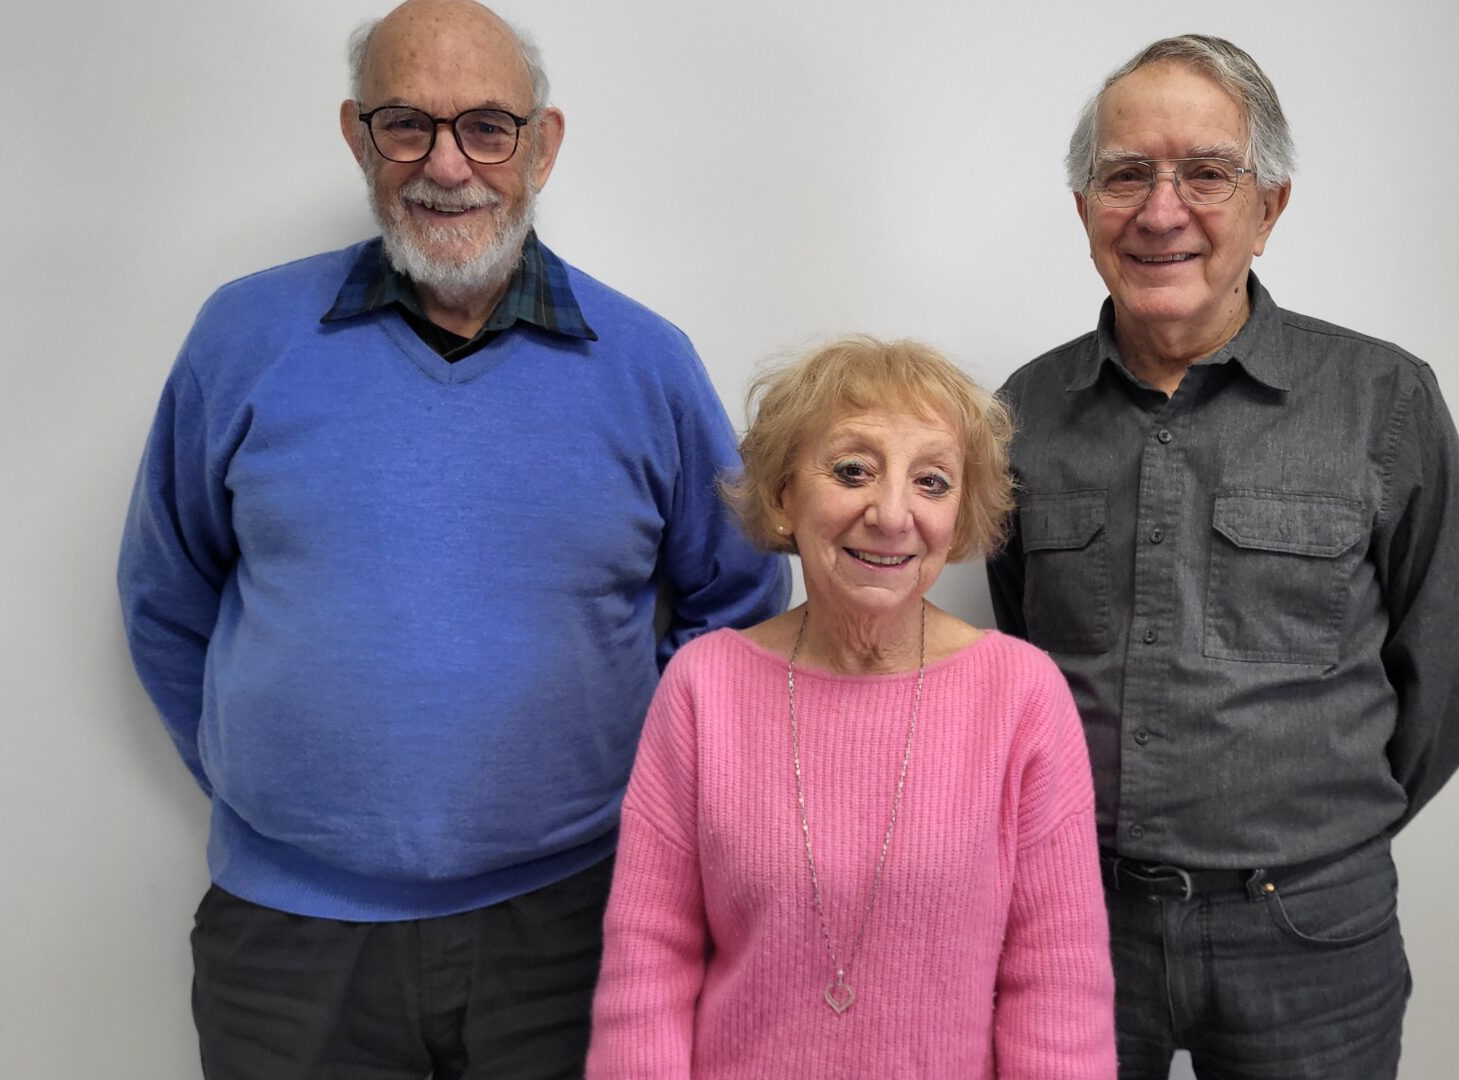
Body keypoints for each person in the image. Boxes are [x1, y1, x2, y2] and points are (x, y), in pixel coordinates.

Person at [115, 1, 789, 1075]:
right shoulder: (242, 336)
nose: (446, 164)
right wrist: (272, 780)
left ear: (542, 146)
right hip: (289, 948)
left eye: (486, 127)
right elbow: (166, 594)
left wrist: (631, 780)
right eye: (405, 124)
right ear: (356, 136)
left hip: (576, 927)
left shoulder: (647, 363)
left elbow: (740, 599)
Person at [986, 34, 1459, 1080]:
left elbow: (1450, 672)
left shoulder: (1384, 401)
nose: (1161, 210)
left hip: (1310, 935)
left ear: (1269, 208)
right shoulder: (1021, 415)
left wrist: (1317, 837)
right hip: (1077, 922)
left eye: (1208, 173)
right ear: (1084, 209)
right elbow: (1018, 649)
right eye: (1126, 174)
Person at [585, 336, 1117, 1078]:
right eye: (852, 471)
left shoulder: (1022, 695)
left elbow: (1056, 983)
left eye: (932, 482)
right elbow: (649, 964)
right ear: (783, 497)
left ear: (961, 515)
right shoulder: (704, 688)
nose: (893, 514)